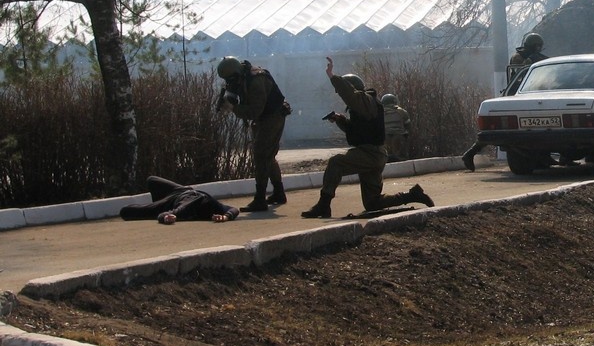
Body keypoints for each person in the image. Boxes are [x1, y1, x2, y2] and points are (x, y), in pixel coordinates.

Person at [301, 59, 434, 219]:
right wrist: (341, 120)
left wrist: (333, 77)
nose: (341, 96)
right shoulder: (365, 105)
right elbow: (359, 132)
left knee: (336, 162)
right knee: (373, 203)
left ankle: (323, 205)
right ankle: (412, 195)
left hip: (370, 154)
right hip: (373, 155)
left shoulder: (366, 100)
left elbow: (350, 96)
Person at [463, 32, 548, 172]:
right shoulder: (518, 57)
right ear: (529, 45)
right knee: (495, 130)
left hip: (529, 94)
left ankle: (542, 158)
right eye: (535, 46)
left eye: (539, 47)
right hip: (515, 94)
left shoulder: (535, 57)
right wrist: (531, 60)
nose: (537, 49)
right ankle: (470, 154)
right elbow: (520, 71)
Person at [217, 56, 290, 213]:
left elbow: (255, 110)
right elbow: (239, 93)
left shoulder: (256, 80)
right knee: (268, 156)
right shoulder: (242, 77)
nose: (230, 82)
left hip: (272, 116)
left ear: (236, 74)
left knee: (261, 155)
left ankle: (260, 199)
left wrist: (233, 108)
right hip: (264, 117)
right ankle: (278, 192)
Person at [120, 176, 239, 224]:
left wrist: (166, 218)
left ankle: (159, 203)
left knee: (127, 212)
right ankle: (159, 201)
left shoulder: (185, 209)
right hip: (184, 190)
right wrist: (226, 217)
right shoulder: (215, 206)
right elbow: (234, 209)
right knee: (151, 180)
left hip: (172, 201)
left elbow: (164, 215)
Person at [380, 93, 411, 162]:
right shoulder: (402, 111)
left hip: (385, 137)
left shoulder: (379, 113)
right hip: (399, 136)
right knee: (401, 158)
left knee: (386, 157)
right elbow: (408, 125)